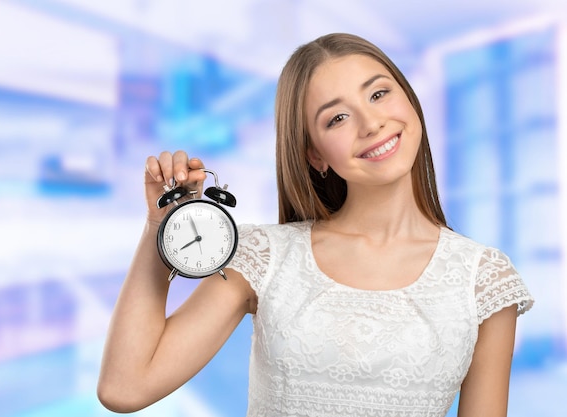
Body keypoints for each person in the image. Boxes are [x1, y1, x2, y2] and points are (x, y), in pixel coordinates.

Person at [97, 33, 534, 417]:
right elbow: (125, 387)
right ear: (315, 155)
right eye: (336, 118)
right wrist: (161, 225)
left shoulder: (484, 279)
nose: (372, 123)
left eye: (378, 94)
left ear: (409, 100)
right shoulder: (265, 256)